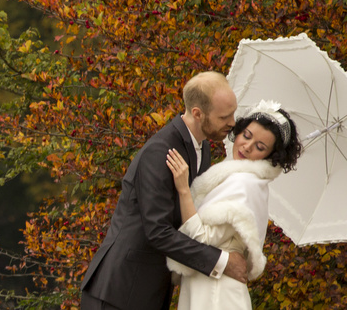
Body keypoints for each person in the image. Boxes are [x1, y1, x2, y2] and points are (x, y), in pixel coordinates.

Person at [80, 72, 249, 310]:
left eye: (233, 112)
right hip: (119, 292)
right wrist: (221, 262)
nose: (233, 122)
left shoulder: (204, 149)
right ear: (198, 114)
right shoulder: (160, 153)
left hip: (150, 291)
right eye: (224, 116)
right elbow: (158, 231)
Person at [164, 99, 304, 309]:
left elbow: (201, 237)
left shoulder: (244, 184)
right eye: (246, 135)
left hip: (216, 293)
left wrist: (184, 190)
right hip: (208, 283)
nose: (246, 147)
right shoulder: (234, 176)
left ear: (270, 156)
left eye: (259, 147)